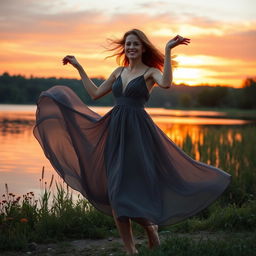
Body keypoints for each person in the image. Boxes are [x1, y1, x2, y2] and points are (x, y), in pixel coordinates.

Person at [33, 29, 231, 255]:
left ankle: (151, 227)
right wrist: (79, 67)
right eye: (128, 44)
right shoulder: (118, 72)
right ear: (124, 48)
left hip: (138, 134)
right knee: (116, 192)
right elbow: (95, 93)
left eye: (135, 44)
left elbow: (166, 83)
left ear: (143, 47)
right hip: (114, 132)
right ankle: (131, 250)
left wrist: (167, 50)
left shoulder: (150, 73)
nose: (131, 47)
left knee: (133, 191)